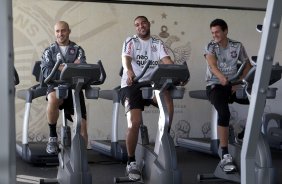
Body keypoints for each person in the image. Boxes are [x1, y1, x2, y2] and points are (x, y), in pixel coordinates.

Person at [120, 16, 174, 181]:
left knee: (167, 104)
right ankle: (131, 161)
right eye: (137, 25)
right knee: (134, 122)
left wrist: (176, 72)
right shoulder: (131, 41)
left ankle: (163, 139)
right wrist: (128, 70)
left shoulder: (157, 43)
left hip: (152, 84)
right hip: (132, 84)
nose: (140, 26)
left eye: (143, 23)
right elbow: (126, 59)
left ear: (149, 24)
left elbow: (167, 61)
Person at [204, 18, 252, 173]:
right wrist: (221, 77)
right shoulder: (211, 46)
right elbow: (212, 64)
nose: (214, 35)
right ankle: (224, 153)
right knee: (224, 113)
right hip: (215, 86)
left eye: (217, 32)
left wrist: (241, 82)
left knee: (257, 101)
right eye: (212, 32)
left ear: (225, 31)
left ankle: (243, 134)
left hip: (232, 85)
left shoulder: (237, 46)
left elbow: (247, 66)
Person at [41, 21, 88, 154]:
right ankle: (52, 138)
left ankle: (81, 159)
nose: (60, 34)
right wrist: (70, 66)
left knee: (83, 126)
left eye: (63, 30)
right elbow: (46, 72)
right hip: (55, 86)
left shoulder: (78, 49)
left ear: (69, 31)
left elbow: (81, 69)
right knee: (53, 99)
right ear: (54, 33)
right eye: (57, 31)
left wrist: (59, 67)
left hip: (74, 87)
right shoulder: (49, 50)